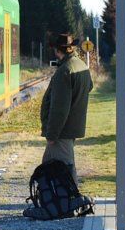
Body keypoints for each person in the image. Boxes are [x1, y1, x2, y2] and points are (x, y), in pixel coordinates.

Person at [40, 33, 93, 185]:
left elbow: (59, 108)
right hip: (71, 127)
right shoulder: (81, 65)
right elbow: (89, 86)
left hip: (62, 130)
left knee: (64, 167)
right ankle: (55, 202)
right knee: (49, 165)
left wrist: (52, 134)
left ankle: (69, 202)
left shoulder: (65, 70)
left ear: (58, 51)